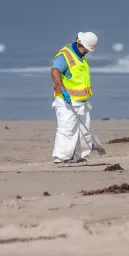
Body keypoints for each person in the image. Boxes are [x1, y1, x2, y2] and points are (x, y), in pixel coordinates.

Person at [50, 32, 99, 164]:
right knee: (67, 129)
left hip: (82, 101)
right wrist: (63, 90)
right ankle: (62, 157)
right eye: (86, 49)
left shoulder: (81, 56)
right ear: (79, 43)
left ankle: (80, 155)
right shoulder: (65, 55)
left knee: (84, 130)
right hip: (67, 101)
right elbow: (55, 71)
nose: (87, 52)